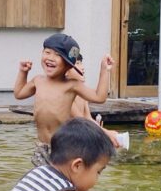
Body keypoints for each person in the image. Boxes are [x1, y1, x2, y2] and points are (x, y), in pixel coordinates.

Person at [14, 34, 114, 166]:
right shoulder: (38, 81)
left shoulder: (71, 85)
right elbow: (19, 93)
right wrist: (23, 72)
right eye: (47, 52)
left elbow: (99, 97)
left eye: (57, 55)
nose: (50, 58)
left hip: (64, 147)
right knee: (43, 181)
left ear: (68, 65)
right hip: (42, 146)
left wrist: (104, 71)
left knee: (63, 182)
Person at [68, 55, 129, 152]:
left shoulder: (81, 93)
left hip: (80, 136)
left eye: (81, 63)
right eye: (77, 64)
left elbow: (87, 117)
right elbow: (81, 121)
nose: (82, 67)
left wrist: (105, 70)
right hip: (68, 143)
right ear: (65, 71)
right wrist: (105, 133)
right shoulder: (67, 95)